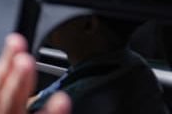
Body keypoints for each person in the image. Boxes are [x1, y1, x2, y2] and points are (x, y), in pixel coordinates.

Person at [28, 16, 167, 113]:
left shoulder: (76, 101)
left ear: (88, 25)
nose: (49, 18)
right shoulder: (132, 65)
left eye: (61, 9)